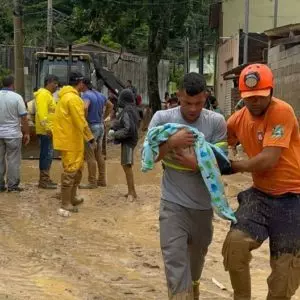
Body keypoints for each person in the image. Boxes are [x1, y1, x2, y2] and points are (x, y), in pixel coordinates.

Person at [223, 64, 300, 300]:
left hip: (293, 198)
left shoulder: (282, 112)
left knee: (283, 277)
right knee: (234, 246)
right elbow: (219, 139)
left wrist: (233, 166)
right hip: (260, 194)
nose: (254, 102)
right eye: (249, 97)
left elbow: (269, 159)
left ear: (271, 92)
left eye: (260, 97)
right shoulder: (238, 119)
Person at [147, 72, 227, 299]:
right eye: (187, 103)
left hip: (203, 208)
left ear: (206, 97)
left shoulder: (216, 122)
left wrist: (198, 164)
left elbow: (222, 163)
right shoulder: (162, 119)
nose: (192, 109)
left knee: (196, 262)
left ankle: (193, 288)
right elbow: (148, 156)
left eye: (198, 103)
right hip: (172, 205)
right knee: (175, 263)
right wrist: (171, 142)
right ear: (178, 96)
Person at [53, 72, 95, 216]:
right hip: (71, 140)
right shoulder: (73, 99)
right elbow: (80, 121)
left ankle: (72, 197)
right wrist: (90, 137)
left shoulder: (64, 97)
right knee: (71, 171)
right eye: (84, 83)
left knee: (77, 169)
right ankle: (65, 202)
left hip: (69, 139)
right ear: (80, 83)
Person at [79, 78, 113, 189]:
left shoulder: (86, 95)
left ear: (84, 85)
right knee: (99, 153)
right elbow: (110, 105)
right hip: (100, 126)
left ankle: (92, 182)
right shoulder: (100, 94)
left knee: (90, 155)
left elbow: (85, 107)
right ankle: (102, 180)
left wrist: (85, 120)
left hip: (91, 127)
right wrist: (103, 117)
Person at [108, 89, 140, 202]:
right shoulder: (131, 109)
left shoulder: (127, 111)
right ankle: (131, 191)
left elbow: (128, 129)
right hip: (130, 140)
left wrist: (114, 134)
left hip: (129, 140)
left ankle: (132, 192)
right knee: (126, 165)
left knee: (127, 165)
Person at [0, 75, 30, 192]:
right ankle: (12, 186)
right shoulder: (17, 97)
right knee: (13, 160)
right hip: (13, 134)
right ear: (13, 84)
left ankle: (0, 185)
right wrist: (27, 133)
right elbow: (24, 117)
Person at [35, 74, 59, 189]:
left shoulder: (48, 95)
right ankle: (43, 181)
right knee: (46, 155)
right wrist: (48, 128)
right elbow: (42, 113)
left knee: (48, 155)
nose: (56, 86)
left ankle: (46, 178)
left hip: (49, 130)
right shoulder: (43, 95)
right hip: (46, 131)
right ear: (48, 82)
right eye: (55, 83)